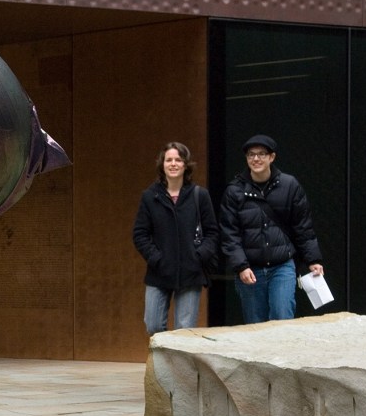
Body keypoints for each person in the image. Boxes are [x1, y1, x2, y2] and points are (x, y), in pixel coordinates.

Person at [219, 134, 324, 324]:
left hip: (282, 265)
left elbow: (303, 226)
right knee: (255, 325)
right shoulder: (234, 191)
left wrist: (313, 259)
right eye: (251, 155)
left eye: (261, 154)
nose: (256, 159)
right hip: (250, 268)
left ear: (272, 157)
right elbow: (229, 233)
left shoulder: (289, 185)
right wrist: (241, 266)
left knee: (283, 319)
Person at [132, 141, 220, 335]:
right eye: (168, 160)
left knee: (184, 330)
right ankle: (164, 355)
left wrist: (198, 256)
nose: (173, 164)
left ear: (186, 165)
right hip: (159, 271)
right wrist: (156, 258)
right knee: (153, 325)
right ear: (162, 164)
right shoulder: (150, 196)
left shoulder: (199, 195)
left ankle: (177, 358)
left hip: (191, 271)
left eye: (178, 160)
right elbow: (140, 234)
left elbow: (212, 233)